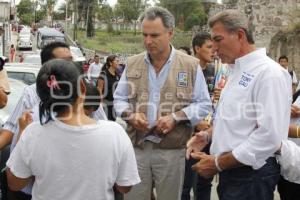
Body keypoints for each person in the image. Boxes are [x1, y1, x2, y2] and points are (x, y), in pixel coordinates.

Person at [186, 10, 292, 200]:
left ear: (240, 35)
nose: (214, 48)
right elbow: (236, 118)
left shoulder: (269, 73)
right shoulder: (235, 70)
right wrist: (208, 134)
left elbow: (270, 136)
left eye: (218, 40)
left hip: (250, 174)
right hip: (234, 172)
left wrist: (218, 163)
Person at [6, 59, 141, 200]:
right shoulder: (115, 133)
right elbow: (124, 186)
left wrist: (22, 132)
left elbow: (15, 184)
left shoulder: (32, 133)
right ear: (83, 89)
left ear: (42, 97)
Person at [114, 6, 211, 200]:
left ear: (170, 33)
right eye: (145, 35)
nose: (148, 41)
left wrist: (175, 118)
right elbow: (119, 99)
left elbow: (203, 104)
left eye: (154, 35)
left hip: (171, 150)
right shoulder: (132, 63)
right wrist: (130, 115)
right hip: (137, 148)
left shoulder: (190, 65)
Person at [0, 41, 107, 200]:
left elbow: (103, 128)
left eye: (71, 60)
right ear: (48, 66)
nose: (71, 66)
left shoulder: (85, 92)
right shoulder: (30, 96)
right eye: (65, 62)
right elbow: (11, 129)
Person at [181, 32, 215, 200]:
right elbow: (179, 102)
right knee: (185, 183)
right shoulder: (185, 71)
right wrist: (196, 123)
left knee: (205, 182)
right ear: (197, 48)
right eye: (209, 47)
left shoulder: (214, 70)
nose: (213, 51)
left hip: (209, 133)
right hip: (190, 135)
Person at [98, 55, 120, 121]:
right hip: (106, 103)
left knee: (114, 121)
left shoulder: (117, 75)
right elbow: (99, 89)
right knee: (107, 122)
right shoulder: (104, 74)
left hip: (114, 104)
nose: (119, 62)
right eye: (117, 61)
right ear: (110, 63)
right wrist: (100, 105)